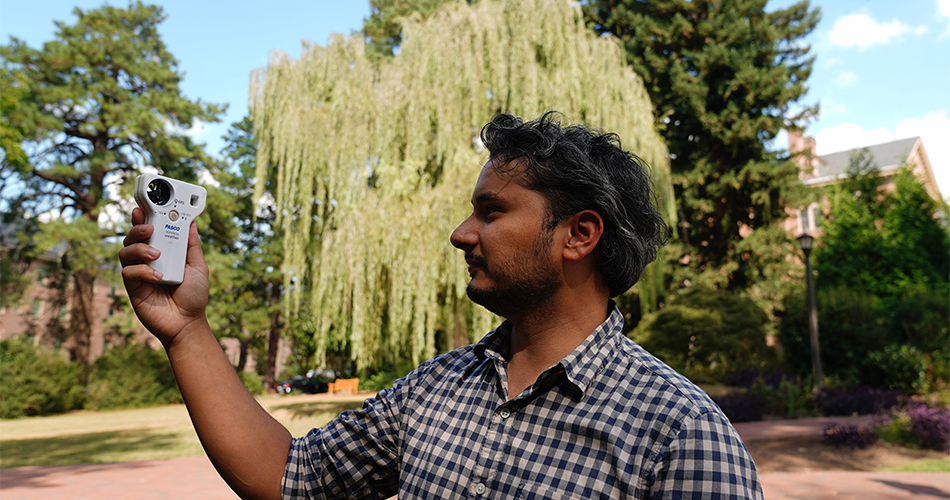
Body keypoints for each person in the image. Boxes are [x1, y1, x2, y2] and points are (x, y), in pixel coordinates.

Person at [120, 111, 763, 500]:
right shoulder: (435, 389)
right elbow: (295, 482)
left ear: (579, 235)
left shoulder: (680, 434)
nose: (461, 232)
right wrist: (187, 331)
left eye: (492, 211)